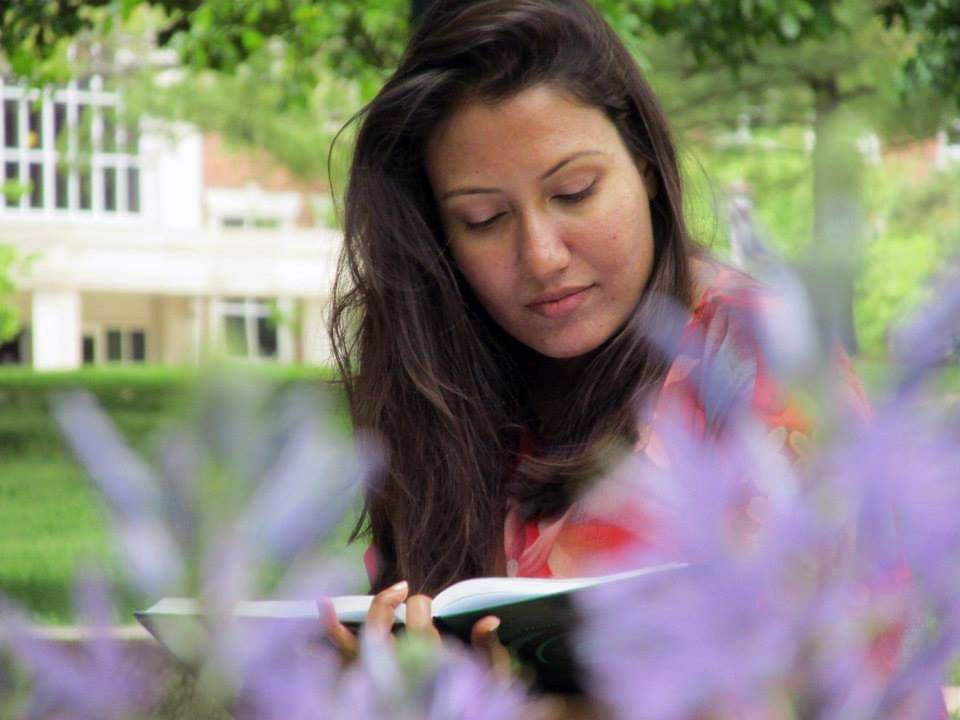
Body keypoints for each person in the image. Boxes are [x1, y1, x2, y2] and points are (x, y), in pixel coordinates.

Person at [324, 0, 861, 665]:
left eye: (575, 192)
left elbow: (841, 670)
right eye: (485, 220)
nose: (542, 256)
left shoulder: (761, 351)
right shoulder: (433, 387)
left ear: (644, 164)